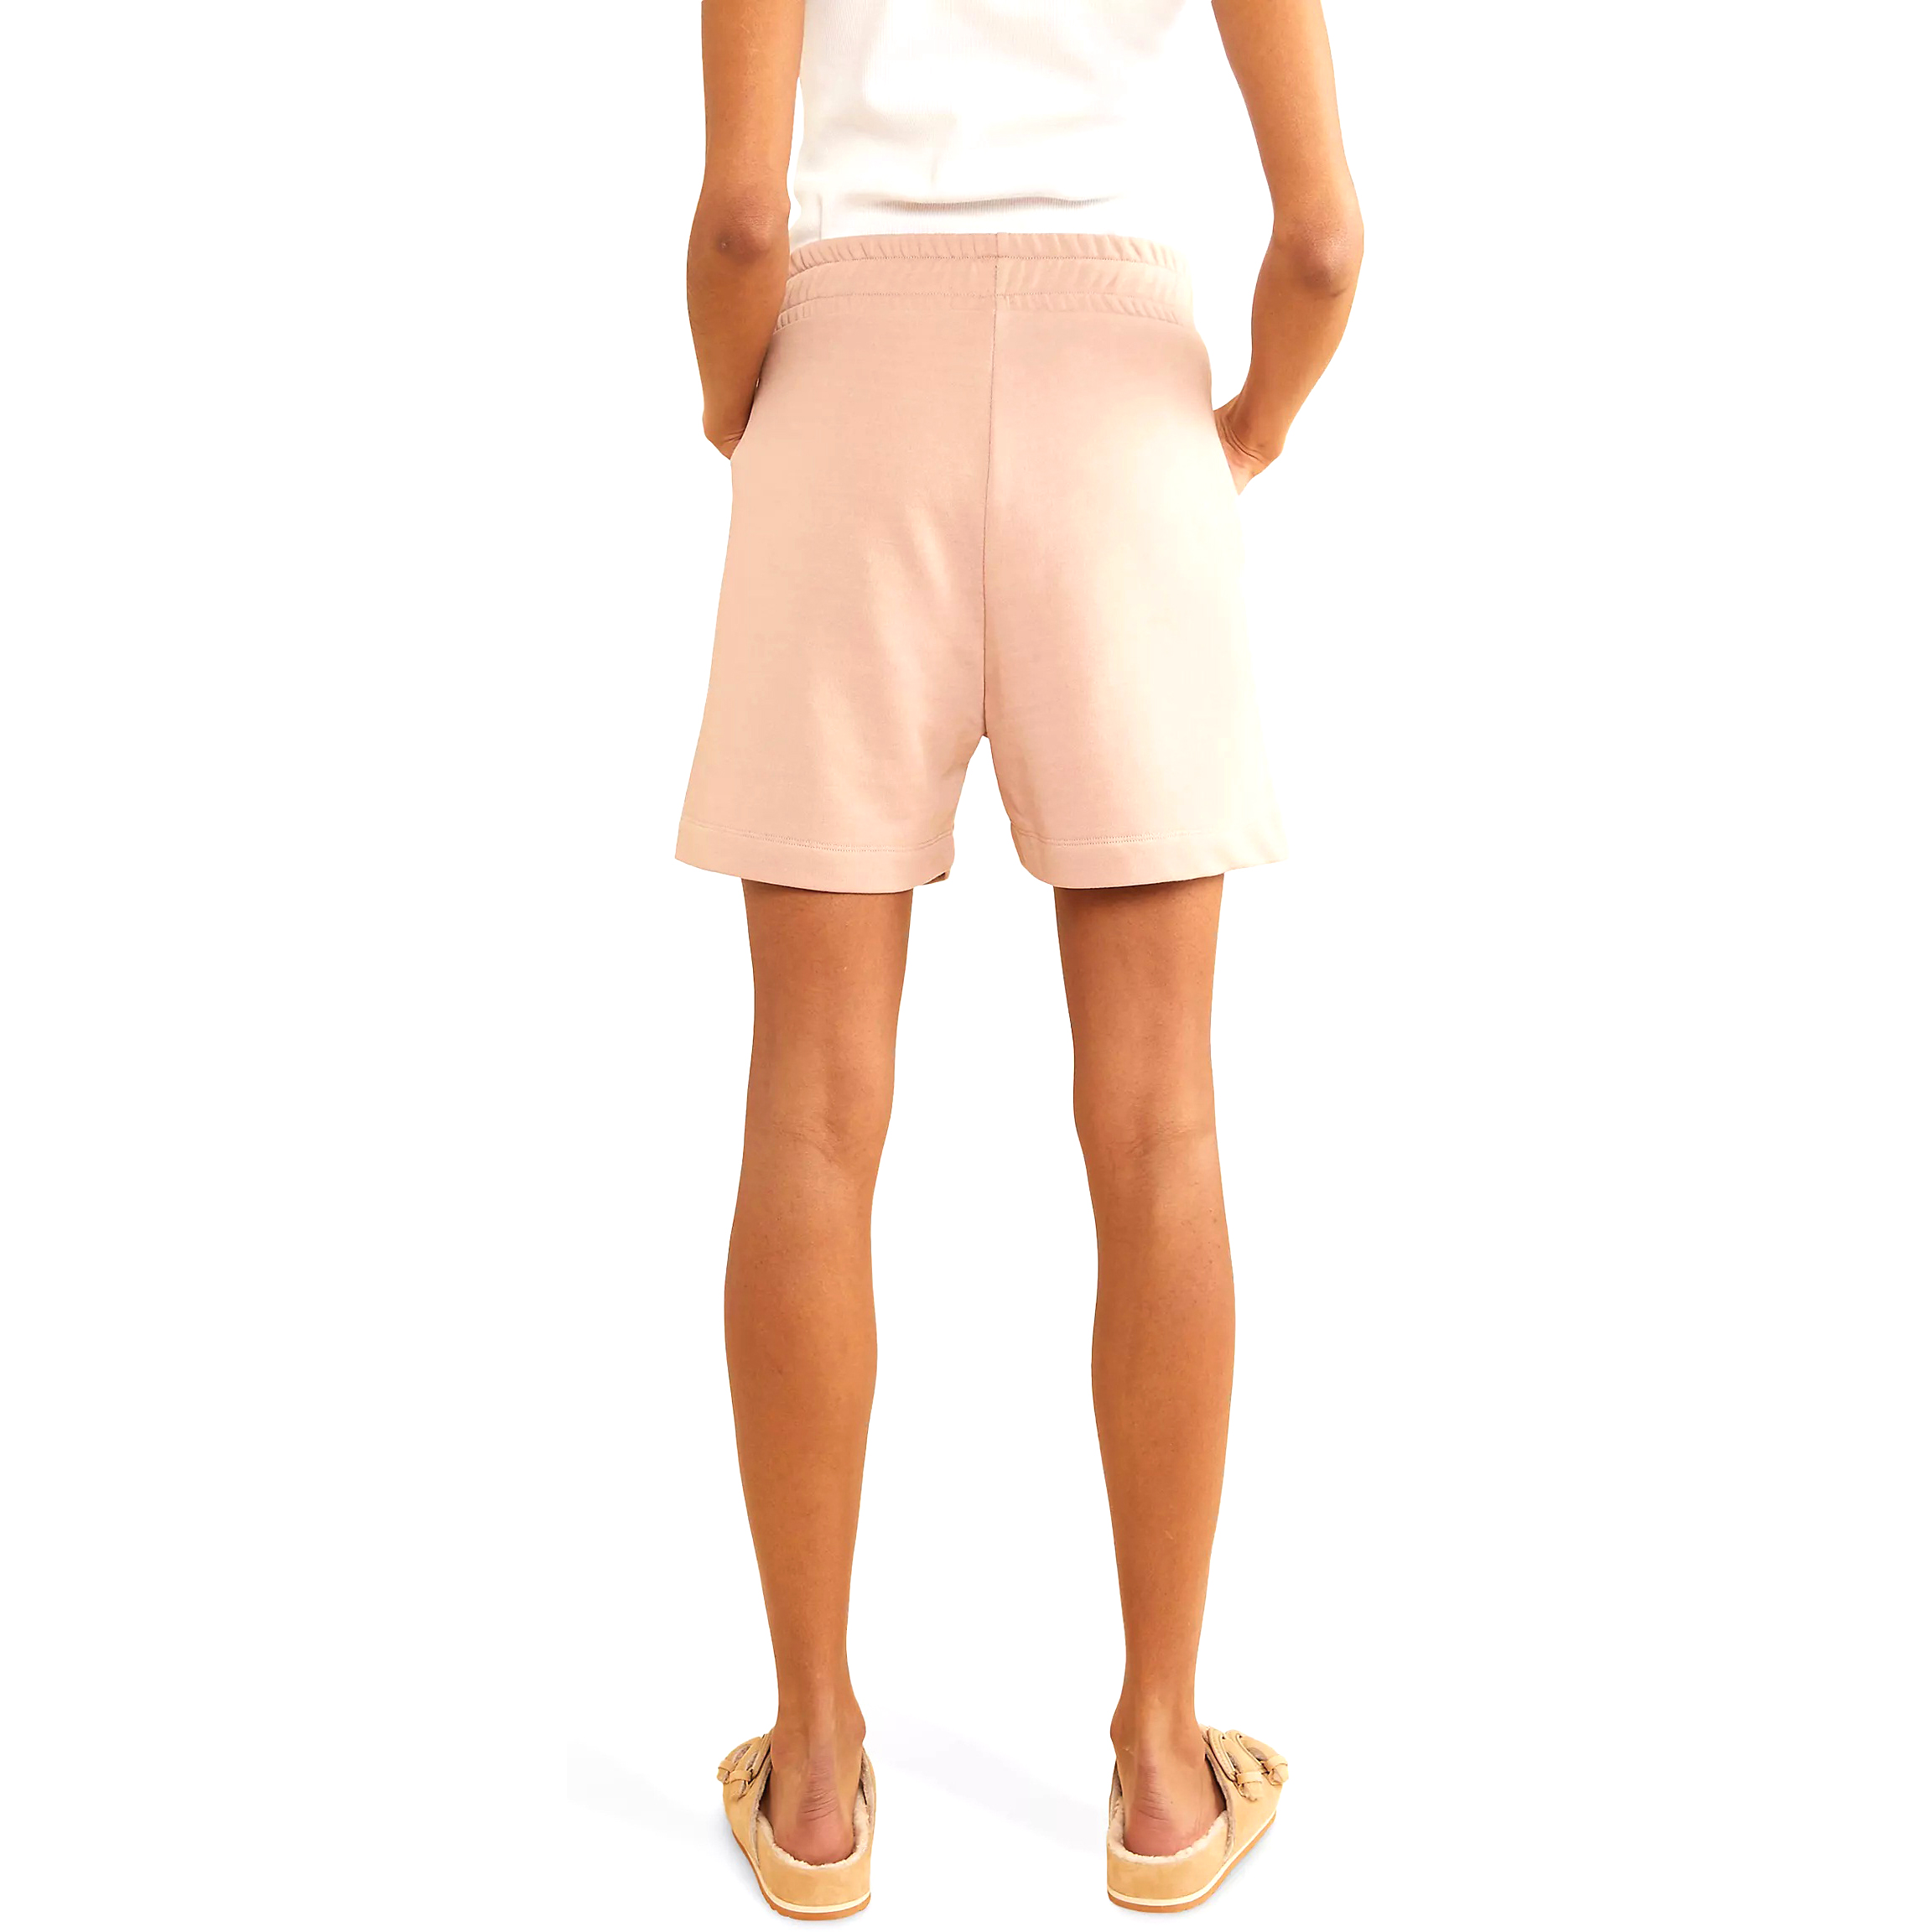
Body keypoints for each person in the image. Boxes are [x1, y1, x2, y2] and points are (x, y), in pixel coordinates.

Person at [682, 0, 1361, 1914]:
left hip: (845, 387)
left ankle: (817, 1781)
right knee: (1159, 1129)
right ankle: (1162, 1773)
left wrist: (744, 411)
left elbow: (742, 222)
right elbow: (1323, 240)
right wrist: (1250, 430)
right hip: (1123, 406)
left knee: (812, 1119)